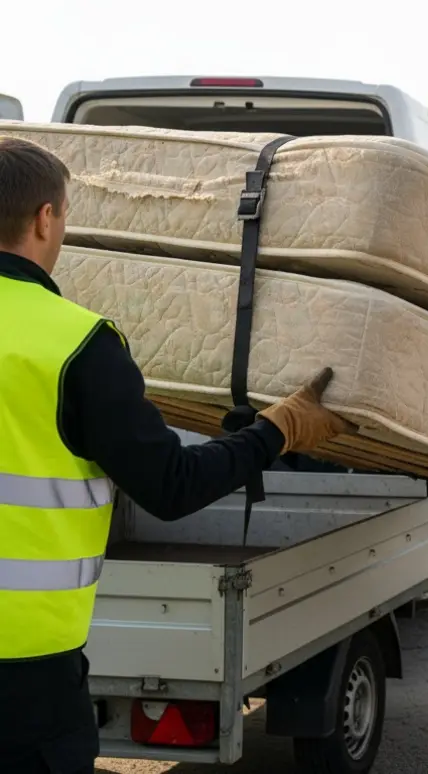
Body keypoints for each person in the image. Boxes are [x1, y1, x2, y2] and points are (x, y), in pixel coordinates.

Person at [0, 136, 353, 773]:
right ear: (45, 218)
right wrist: (280, 428)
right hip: (25, 681)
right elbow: (171, 485)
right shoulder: (74, 344)